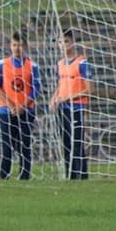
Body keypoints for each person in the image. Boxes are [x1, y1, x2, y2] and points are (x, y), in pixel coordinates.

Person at [0, 31, 42, 180]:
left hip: (26, 111)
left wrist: (23, 106)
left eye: (20, 45)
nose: (17, 48)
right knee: (7, 145)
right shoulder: (2, 64)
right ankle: (4, 175)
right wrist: (11, 105)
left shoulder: (32, 66)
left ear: (25, 46)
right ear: (10, 46)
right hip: (5, 110)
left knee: (24, 145)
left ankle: (25, 175)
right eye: (14, 45)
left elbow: (36, 89)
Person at [49, 28, 91, 179]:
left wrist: (67, 98)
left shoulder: (82, 62)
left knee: (76, 142)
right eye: (60, 42)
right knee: (66, 142)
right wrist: (54, 97)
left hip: (77, 108)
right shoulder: (60, 63)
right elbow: (62, 84)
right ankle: (75, 175)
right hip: (63, 108)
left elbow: (88, 90)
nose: (63, 45)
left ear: (72, 42)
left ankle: (78, 175)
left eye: (66, 41)